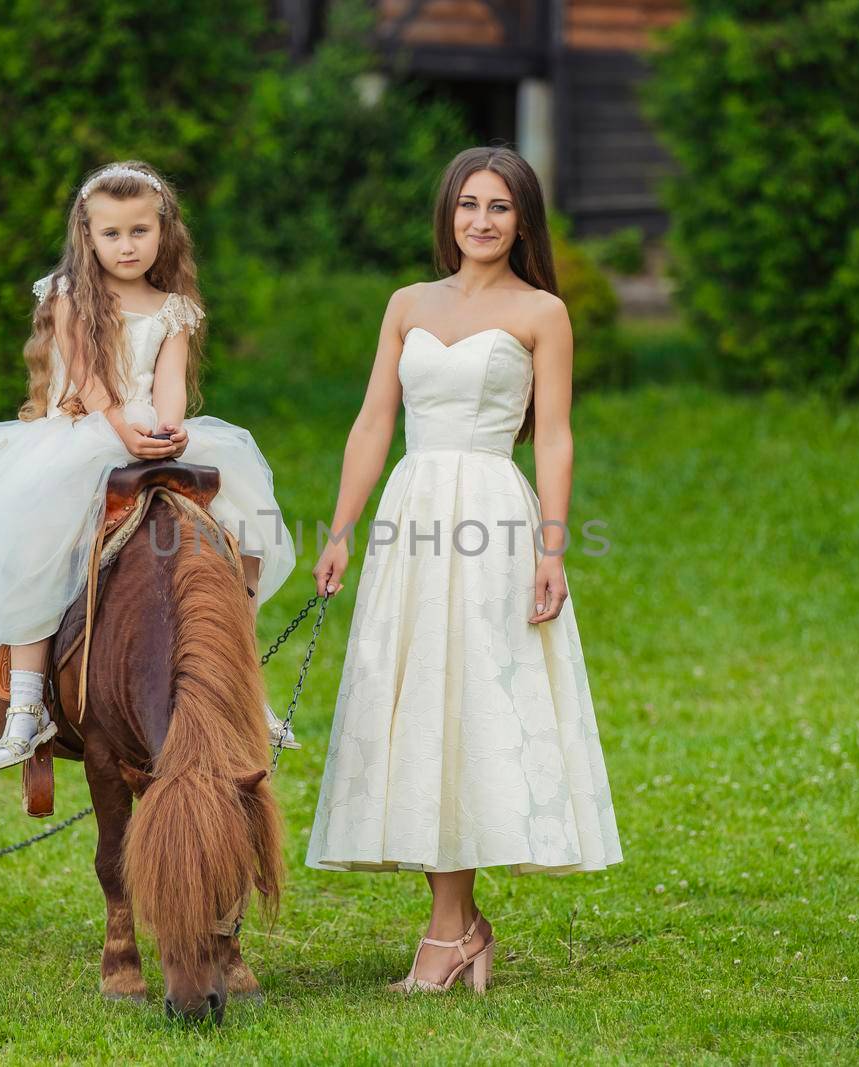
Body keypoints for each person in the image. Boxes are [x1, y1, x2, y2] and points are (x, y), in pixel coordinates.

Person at [306, 146, 623, 993]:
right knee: (415, 704)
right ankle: (460, 926)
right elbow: (374, 422)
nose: (481, 220)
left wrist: (553, 546)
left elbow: (552, 434)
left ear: (524, 221)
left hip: (491, 516)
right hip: (411, 516)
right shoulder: (407, 303)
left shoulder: (543, 313)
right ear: (449, 213)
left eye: (500, 208)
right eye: (468, 205)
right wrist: (339, 530)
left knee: (475, 703)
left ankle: (450, 934)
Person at [0, 161, 297, 772]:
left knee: (243, 529)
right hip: (83, 431)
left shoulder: (174, 308)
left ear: (163, 232)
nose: (127, 246)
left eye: (139, 231)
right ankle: (24, 699)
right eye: (112, 234)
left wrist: (170, 428)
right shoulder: (71, 297)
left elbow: (171, 381)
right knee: (36, 533)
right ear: (88, 236)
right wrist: (123, 427)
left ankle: (241, 683)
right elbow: (93, 382)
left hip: (152, 432)